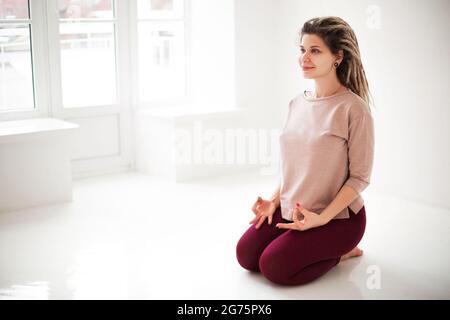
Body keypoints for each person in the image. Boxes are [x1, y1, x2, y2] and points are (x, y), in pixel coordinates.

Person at [236, 16, 375, 286]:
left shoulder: (354, 109)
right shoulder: (296, 103)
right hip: (295, 206)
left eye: (315, 51)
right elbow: (295, 166)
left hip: (338, 217)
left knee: (273, 267)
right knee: (246, 256)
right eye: (302, 50)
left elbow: (360, 178)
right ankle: (307, 242)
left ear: (337, 56)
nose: (304, 58)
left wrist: (321, 219)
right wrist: (274, 200)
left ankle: (341, 252)